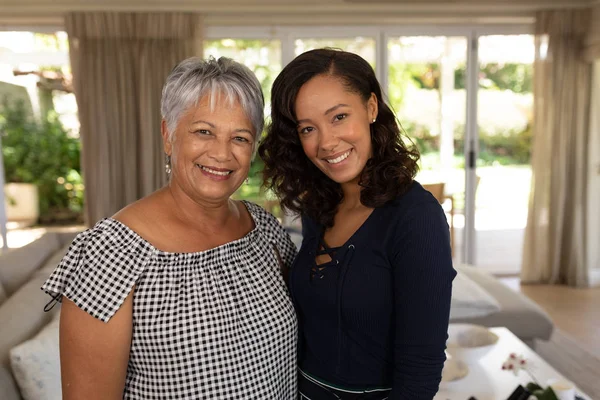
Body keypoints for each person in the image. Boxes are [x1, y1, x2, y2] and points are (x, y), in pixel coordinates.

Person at [42, 56, 298, 399]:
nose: (222, 154)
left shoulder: (265, 231)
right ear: (168, 134)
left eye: (239, 137)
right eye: (204, 132)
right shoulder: (109, 255)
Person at [259, 48, 456, 399]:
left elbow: (421, 372)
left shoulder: (416, 217)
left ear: (371, 107)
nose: (326, 142)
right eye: (308, 128)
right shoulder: (319, 206)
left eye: (338, 117)